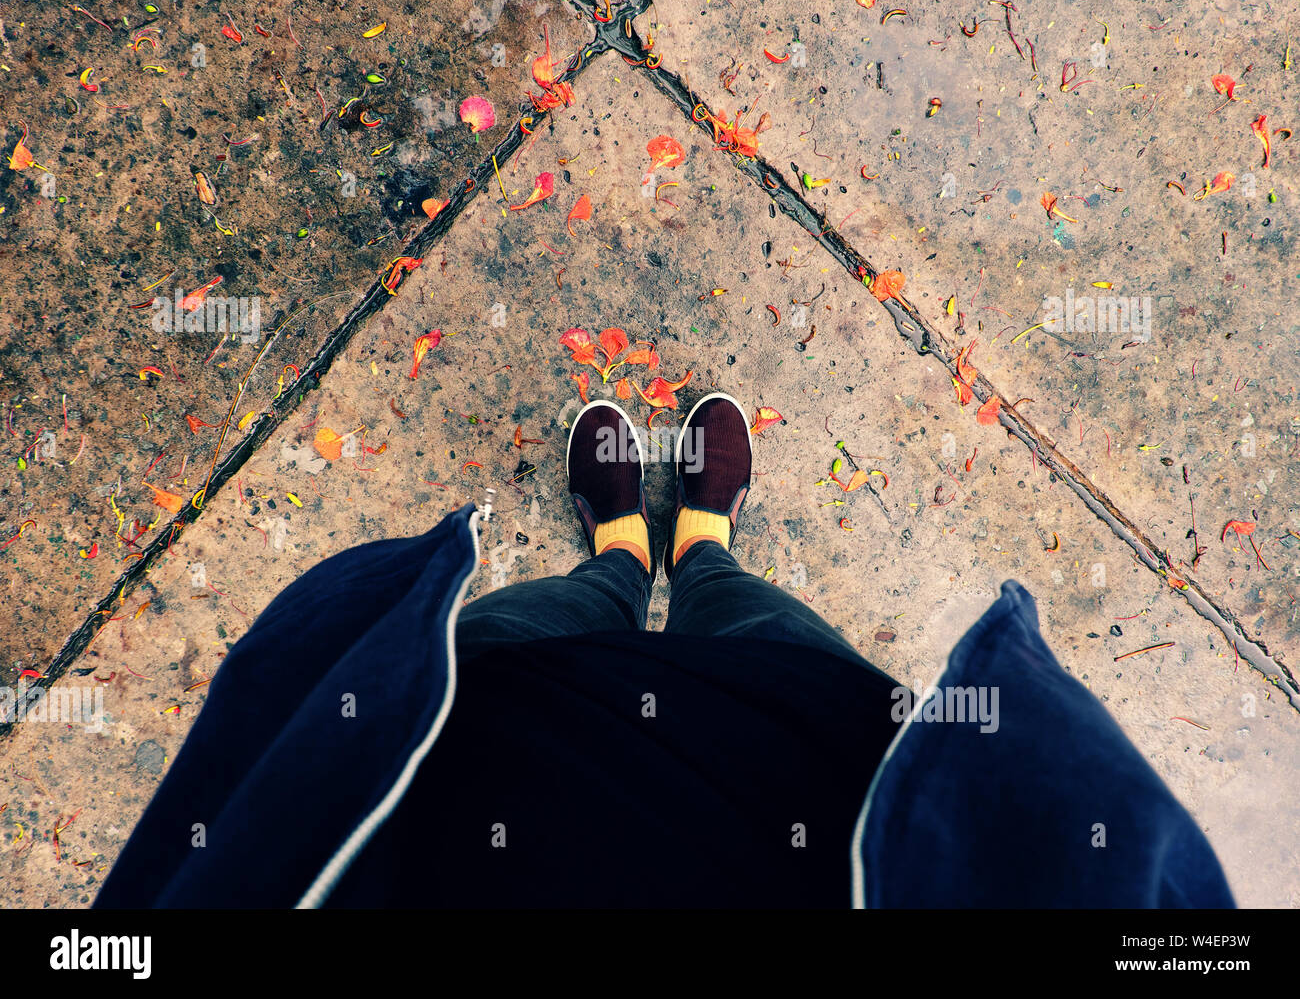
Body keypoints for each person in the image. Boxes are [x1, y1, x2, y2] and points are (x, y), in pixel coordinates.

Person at [95, 393, 1234, 908]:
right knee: (746, 615)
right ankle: (694, 551)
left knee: (562, 613)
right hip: (816, 751)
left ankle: (620, 558)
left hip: (485, 733)